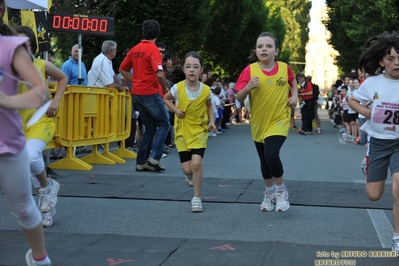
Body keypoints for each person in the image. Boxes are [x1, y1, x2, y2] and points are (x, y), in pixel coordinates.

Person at [0, 1, 52, 264]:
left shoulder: (10, 47)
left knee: (23, 209)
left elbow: (41, 91)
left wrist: (6, 101)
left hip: (7, 144)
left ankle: (40, 259)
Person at [235, 31, 298, 212]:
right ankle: (269, 192)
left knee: (271, 154)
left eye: (269, 46)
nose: (264, 49)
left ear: (276, 51)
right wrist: (248, 87)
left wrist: (294, 97)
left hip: (279, 120)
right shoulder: (250, 70)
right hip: (258, 124)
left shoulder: (285, 68)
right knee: (264, 160)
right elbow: (239, 97)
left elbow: (292, 83)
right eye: (260, 46)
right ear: (256, 51)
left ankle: (281, 191)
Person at [348, 32, 399, 253]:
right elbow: (352, 100)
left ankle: (397, 236)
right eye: (391, 58)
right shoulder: (373, 83)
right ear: (381, 62)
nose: (397, 63)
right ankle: (368, 159)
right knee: (374, 195)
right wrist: (368, 112)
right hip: (378, 142)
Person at [15, 26, 67, 228]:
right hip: (16, 126)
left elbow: (63, 78)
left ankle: (46, 188)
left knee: (31, 157)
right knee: (25, 166)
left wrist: (57, 100)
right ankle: (47, 203)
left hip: (42, 121)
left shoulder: (41, 64)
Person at [163, 51, 216, 212]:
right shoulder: (178, 88)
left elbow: (209, 107)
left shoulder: (206, 90)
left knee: (197, 164)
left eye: (195, 66)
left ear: (201, 70)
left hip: (199, 131)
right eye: (188, 66)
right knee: (187, 169)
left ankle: (196, 199)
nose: (192, 70)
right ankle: (189, 175)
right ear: (184, 70)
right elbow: (166, 99)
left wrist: (212, 121)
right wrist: (175, 110)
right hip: (182, 133)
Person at [119, 20, 170, 172]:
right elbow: (160, 74)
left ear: (143, 32)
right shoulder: (152, 49)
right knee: (164, 123)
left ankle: (141, 162)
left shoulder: (134, 49)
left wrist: (135, 80)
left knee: (149, 127)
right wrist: (166, 87)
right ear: (158, 33)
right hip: (150, 93)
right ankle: (154, 158)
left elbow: (122, 69)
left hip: (137, 94)